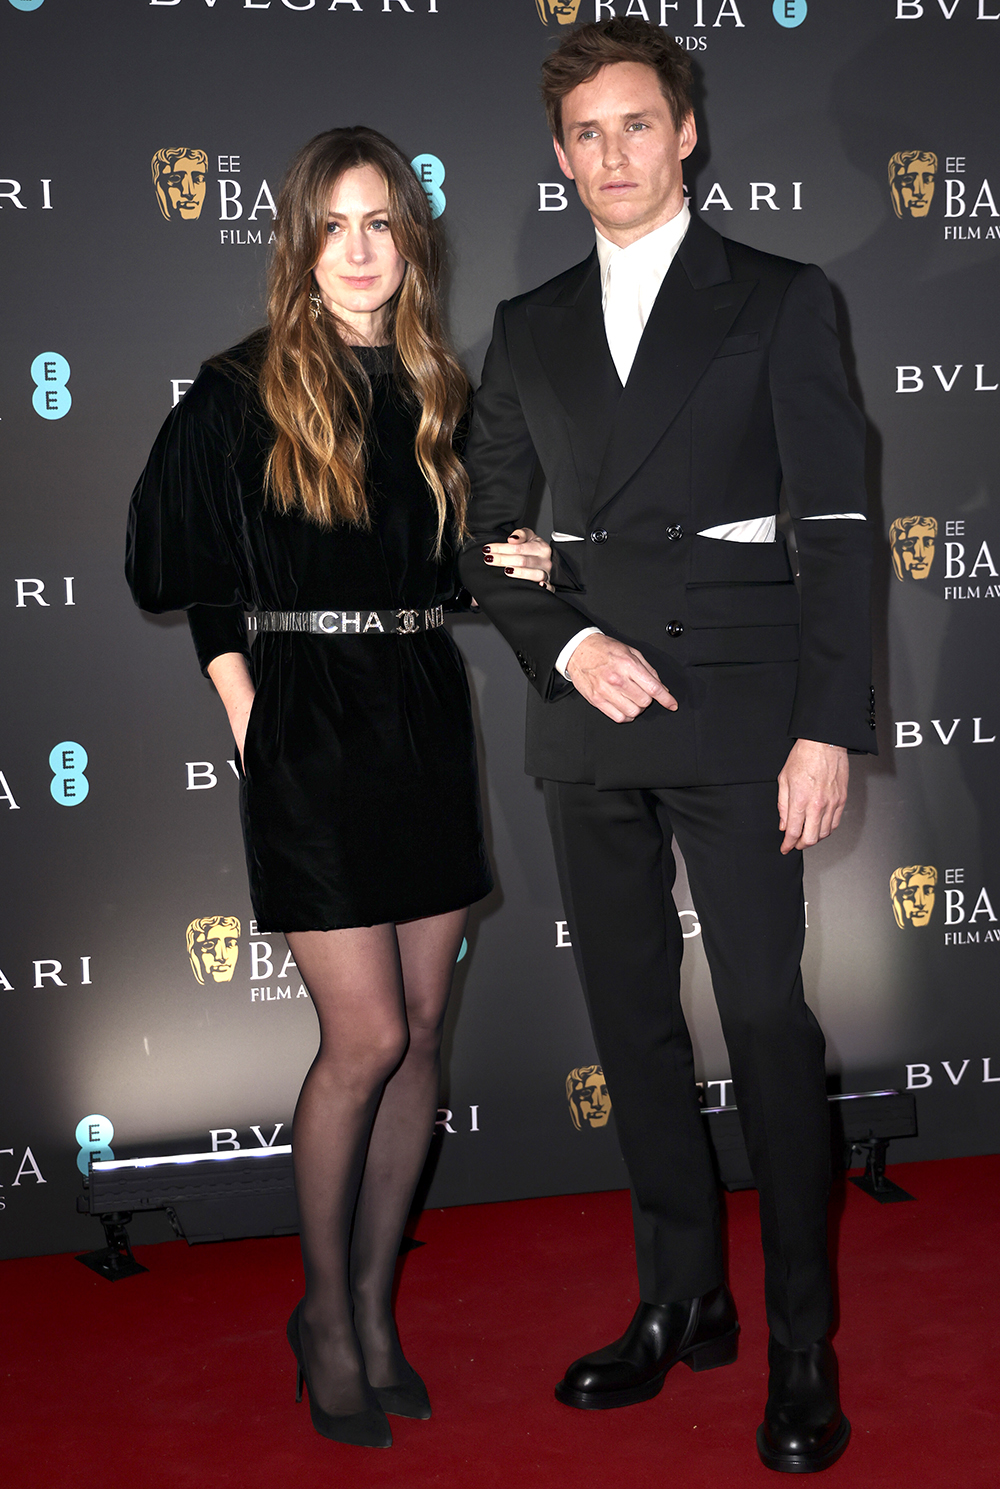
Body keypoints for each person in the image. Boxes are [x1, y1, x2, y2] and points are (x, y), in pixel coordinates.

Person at [459, 20, 874, 1475]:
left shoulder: (779, 297)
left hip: (749, 707)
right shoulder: (526, 325)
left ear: (686, 133)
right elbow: (481, 531)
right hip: (591, 708)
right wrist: (565, 640)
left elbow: (835, 527)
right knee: (632, 1024)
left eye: (638, 125)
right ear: (559, 152)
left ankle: (803, 1342)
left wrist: (829, 721)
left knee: (765, 1018)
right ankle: (678, 1297)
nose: (613, 156)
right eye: (586, 133)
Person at [127, 126, 547, 1449]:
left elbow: (443, 567)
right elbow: (183, 573)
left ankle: (371, 1309)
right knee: (362, 1039)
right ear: (300, 246)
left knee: (424, 1034)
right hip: (308, 724)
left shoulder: (438, 382)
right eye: (336, 227)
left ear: (408, 240)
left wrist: (510, 557)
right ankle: (321, 1312)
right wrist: (249, 717)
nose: (362, 251)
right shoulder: (239, 389)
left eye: (382, 224)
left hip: (421, 713)